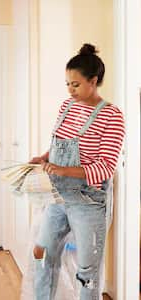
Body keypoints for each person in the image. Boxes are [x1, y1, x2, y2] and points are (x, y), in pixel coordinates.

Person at [29, 43, 125, 300]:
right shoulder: (67, 107)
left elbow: (106, 166)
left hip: (88, 201)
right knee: (42, 253)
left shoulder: (111, 115)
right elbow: (60, 144)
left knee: (87, 272)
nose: (70, 90)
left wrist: (64, 170)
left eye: (76, 84)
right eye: (68, 84)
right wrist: (43, 157)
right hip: (58, 197)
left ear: (93, 81)